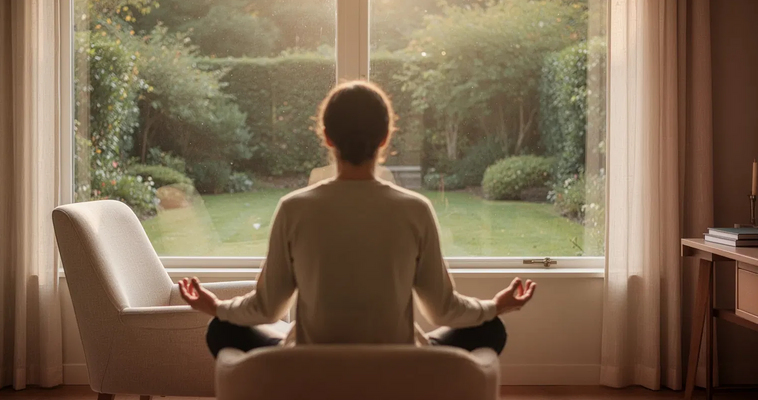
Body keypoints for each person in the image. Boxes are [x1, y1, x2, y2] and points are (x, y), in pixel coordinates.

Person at [178, 81, 536, 357]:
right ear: (385, 137)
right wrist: (497, 306)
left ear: (327, 137)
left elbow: (267, 308)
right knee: (491, 330)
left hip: (311, 368)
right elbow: (444, 310)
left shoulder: (294, 208)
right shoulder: (415, 209)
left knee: (221, 330)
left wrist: (214, 306)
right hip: (397, 368)